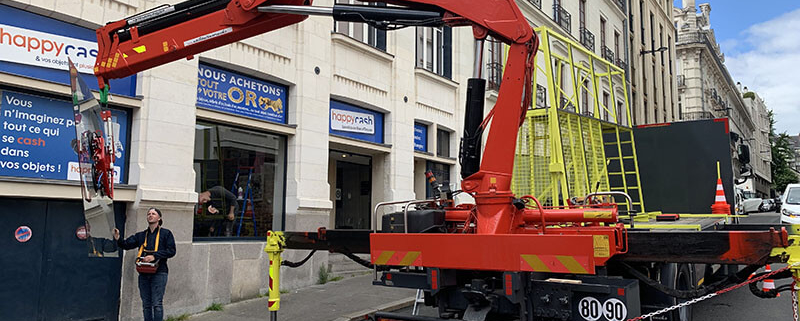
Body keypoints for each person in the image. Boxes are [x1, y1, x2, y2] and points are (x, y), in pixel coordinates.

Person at [113, 208, 176, 321]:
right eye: (148, 214)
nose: (150, 215)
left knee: (157, 304)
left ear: (159, 218)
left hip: (160, 272)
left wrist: (155, 256)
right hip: (143, 273)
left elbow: (171, 251)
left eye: (153, 214)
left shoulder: (166, 233)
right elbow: (127, 244)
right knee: (146, 304)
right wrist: (118, 238)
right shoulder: (141, 235)